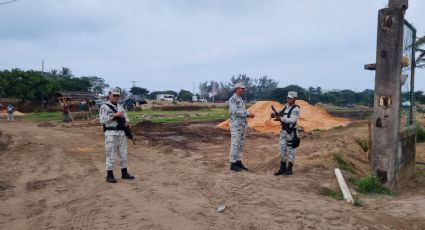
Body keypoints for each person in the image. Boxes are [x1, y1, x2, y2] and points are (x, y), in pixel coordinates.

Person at [99, 88, 135, 183]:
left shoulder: (120, 106)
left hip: (121, 133)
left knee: (123, 154)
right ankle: (109, 175)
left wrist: (127, 122)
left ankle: (124, 173)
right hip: (111, 133)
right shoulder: (104, 107)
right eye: (114, 95)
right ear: (109, 95)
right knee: (110, 154)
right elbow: (102, 120)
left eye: (117, 96)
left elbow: (126, 117)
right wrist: (114, 115)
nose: (116, 97)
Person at [271, 91, 301, 176]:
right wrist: (274, 114)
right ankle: (282, 168)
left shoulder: (296, 109)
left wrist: (281, 119)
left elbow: (293, 120)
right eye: (288, 98)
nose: (288, 99)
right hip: (283, 132)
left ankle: (289, 169)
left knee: (291, 150)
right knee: (282, 149)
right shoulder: (286, 107)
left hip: (291, 132)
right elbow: (280, 113)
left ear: (295, 99)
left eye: (290, 98)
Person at [228, 83, 255, 172]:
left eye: (244, 88)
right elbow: (235, 111)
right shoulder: (233, 99)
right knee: (235, 144)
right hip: (236, 126)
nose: (244, 90)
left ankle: (238, 161)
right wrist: (248, 114)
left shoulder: (240, 99)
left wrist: (248, 113)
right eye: (242, 88)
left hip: (242, 125)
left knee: (240, 144)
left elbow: (242, 110)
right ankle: (233, 163)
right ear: (236, 89)